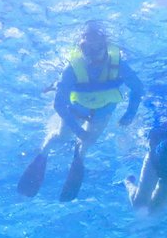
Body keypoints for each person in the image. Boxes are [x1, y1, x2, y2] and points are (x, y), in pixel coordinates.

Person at [18, 20, 144, 201]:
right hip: (76, 109)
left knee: (87, 143)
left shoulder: (119, 65)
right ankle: (43, 153)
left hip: (103, 111)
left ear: (105, 46)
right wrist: (78, 130)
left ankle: (79, 155)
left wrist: (130, 113)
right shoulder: (71, 68)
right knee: (63, 137)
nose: (91, 56)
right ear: (81, 47)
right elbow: (59, 104)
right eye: (86, 50)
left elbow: (138, 88)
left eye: (96, 49)